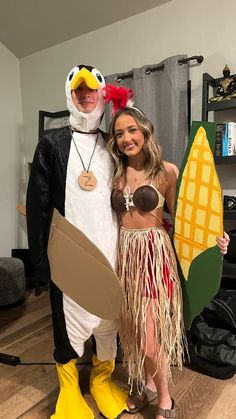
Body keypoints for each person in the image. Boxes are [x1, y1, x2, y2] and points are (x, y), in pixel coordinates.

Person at [107, 106, 230, 419]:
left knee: (150, 340)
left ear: (145, 132)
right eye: (119, 133)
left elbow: (185, 220)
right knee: (133, 332)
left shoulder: (167, 172)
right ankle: (147, 385)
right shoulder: (115, 173)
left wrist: (215, 243)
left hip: (153, 254)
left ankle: (165, 400)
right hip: (124, 257)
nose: (126, 138)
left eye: (132, 130)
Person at [26, 65, 128, 419]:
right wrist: (41, 262)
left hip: (111, 252)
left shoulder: (112, 145)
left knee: (107, 321)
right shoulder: (51, 143)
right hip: (67, 255)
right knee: (67, 320)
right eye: (78, 91)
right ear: (69, 95)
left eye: (91, 91)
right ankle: (69, 389)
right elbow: (38, 205)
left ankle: (102, 380)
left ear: (102, 96)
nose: (86, 96)